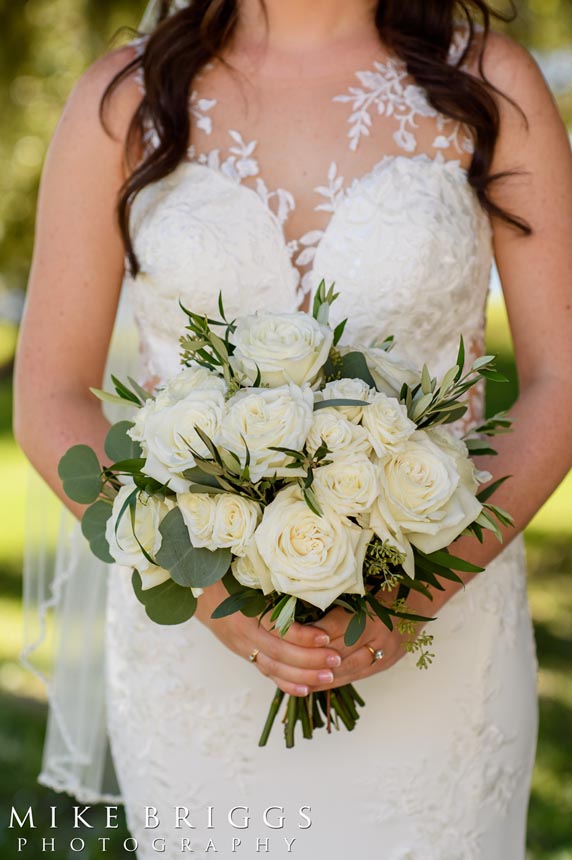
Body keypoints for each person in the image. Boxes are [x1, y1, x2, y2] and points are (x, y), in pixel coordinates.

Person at [13, 0, 572, 857]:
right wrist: (206, 589)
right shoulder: (126, 101)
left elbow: (560, 379)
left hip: (442, 639)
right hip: (196, 660)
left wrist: (416, 593)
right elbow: (50, 394)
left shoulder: (491, 85)